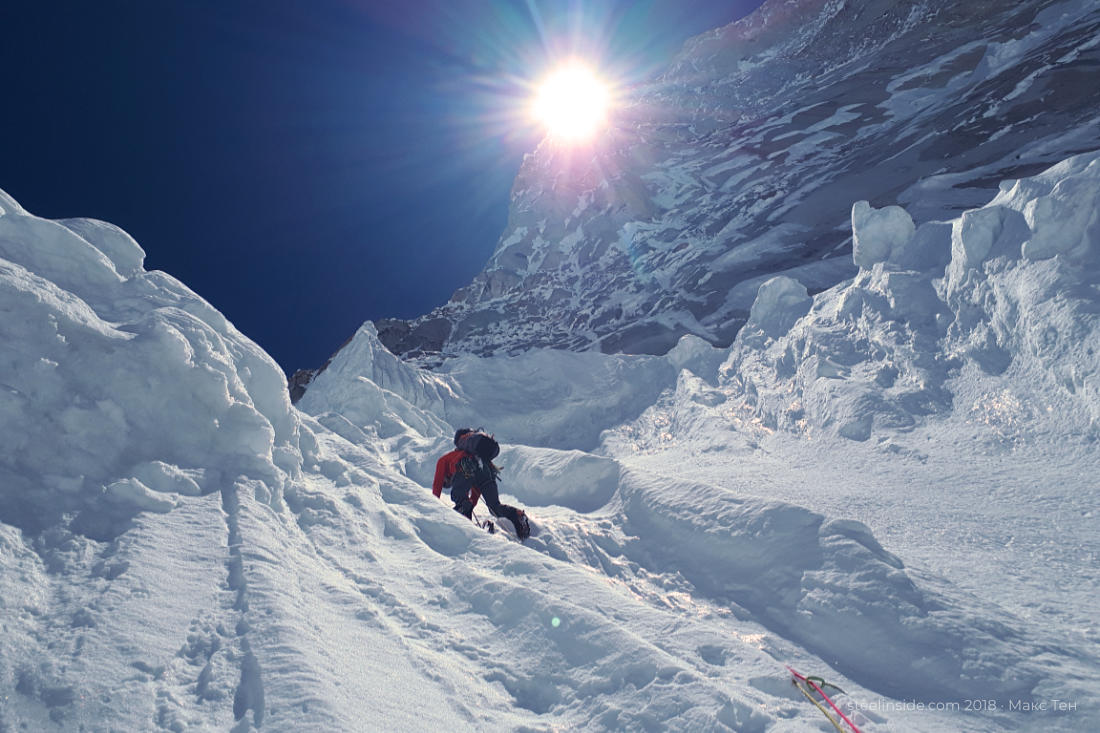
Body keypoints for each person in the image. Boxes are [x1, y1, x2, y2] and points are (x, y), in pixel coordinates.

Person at [432, 428, 530, 540]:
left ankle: (464, 529)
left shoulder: (446, 459)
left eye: (447, 482)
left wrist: (435, 505)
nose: (448, 482)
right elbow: (475, 493)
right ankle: (517, 515)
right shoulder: (479, 458)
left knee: (458, 496)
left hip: (466, 466)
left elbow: (437, 485)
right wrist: (469, 505)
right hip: (487, 470)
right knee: (494, 507)